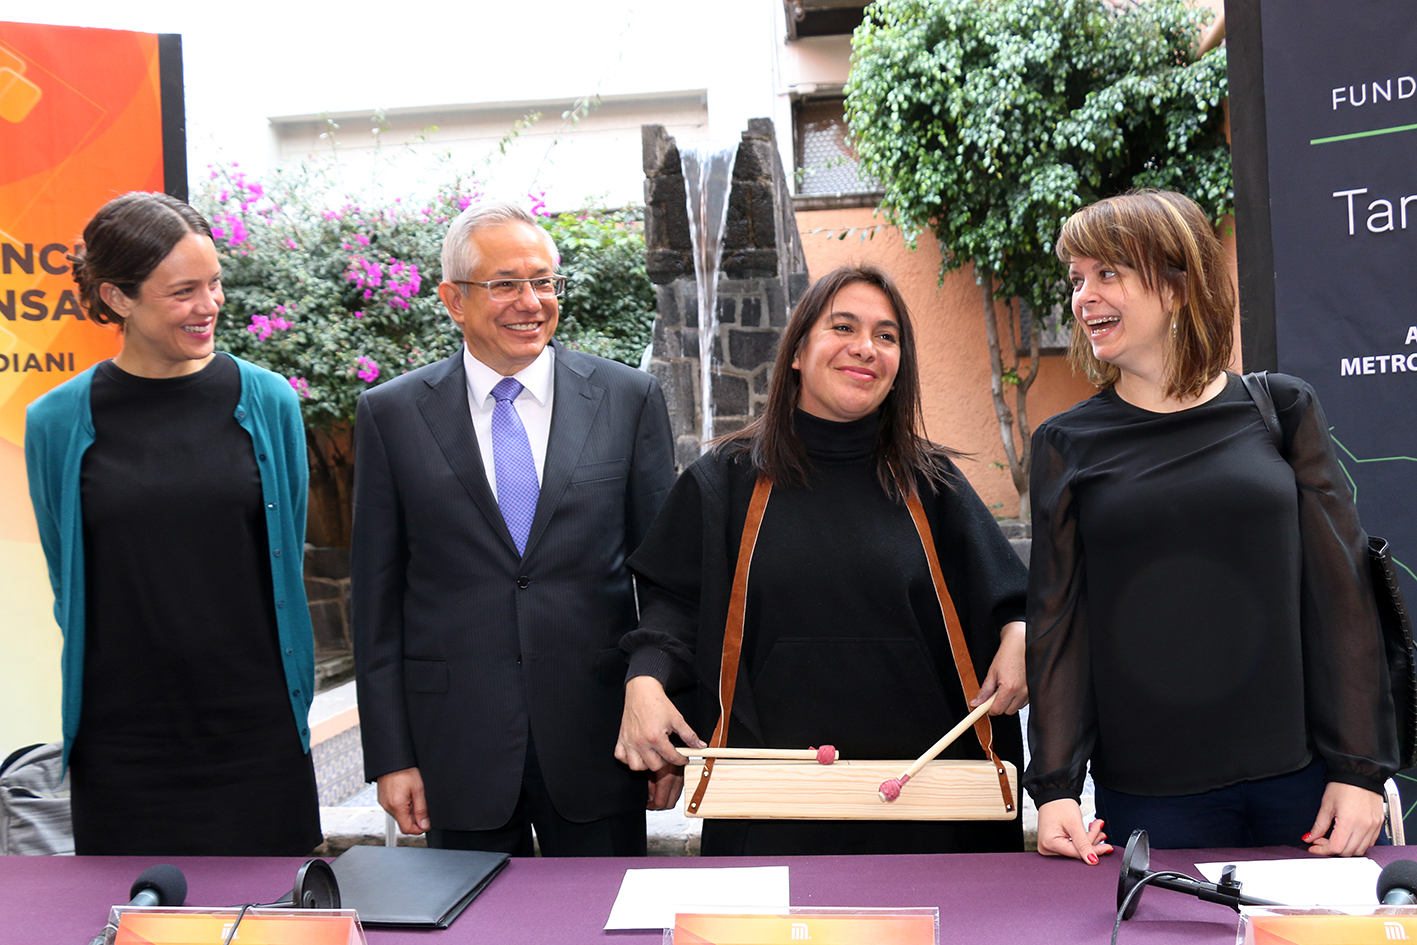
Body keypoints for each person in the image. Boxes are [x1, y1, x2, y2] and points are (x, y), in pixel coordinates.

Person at [1026, 189, 1398, 861]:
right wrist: (1054, 785)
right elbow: (1058, 623)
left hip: (1300, 783)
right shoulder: (1063, 442)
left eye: (1106, 273)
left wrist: (1358, 767)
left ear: (1177, 282)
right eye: (1076, 278)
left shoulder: (1280, 408)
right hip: (1146, 797)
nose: (1082, 297)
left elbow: (1339, 592)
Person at [615, 265, 1029, 856]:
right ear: (797, 352)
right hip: (768, 802)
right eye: (844, 327)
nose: (866, 347)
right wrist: (645, 681)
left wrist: (1019, 633)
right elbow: (674, 609)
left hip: (934, 803)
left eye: (887, 336)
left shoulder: (934, 485)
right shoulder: (725, 482)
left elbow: (1009, 598)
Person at [352, 200, 676, 856]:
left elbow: (667, 582)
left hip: (601, 744)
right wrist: (390, 754)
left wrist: (664, 715)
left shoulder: (627, 400)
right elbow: (376, 603)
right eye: (504, 283)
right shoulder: (390, 415)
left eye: (544, 280)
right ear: (452, 298)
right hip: (456, 749)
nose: (530, 301)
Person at [24, 192, 321, 855]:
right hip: (123, 751)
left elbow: (284, 555)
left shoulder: (268, 401)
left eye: (214, 282)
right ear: (118, 298)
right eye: (183, 291)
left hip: (260, 740)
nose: (210, 304)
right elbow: (65, 574)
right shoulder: (54, 422)